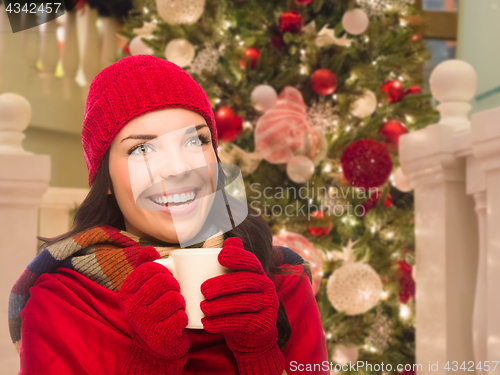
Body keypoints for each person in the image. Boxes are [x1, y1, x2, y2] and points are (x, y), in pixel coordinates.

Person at [8, 55, 329, 375]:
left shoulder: (283, 279)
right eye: (142, 149)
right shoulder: (62, 302)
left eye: (195, 140)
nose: (178, 169)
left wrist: (260, 354)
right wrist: (150, 364)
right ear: (106, 180)